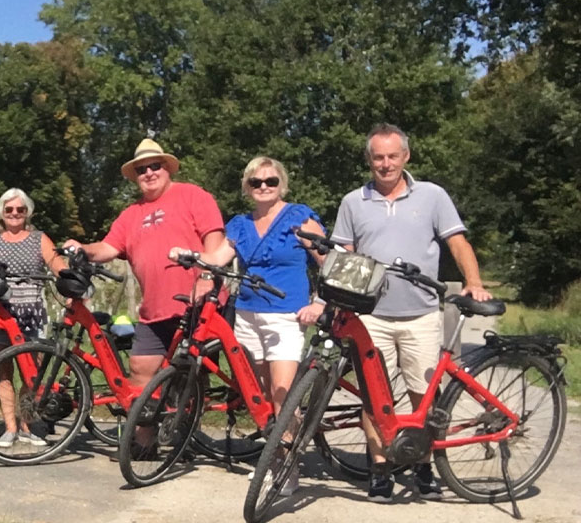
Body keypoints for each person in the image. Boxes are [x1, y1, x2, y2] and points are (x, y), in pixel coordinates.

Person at [330, 124, 492, 502]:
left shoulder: (432, 195)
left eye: (392, 156)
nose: (385, 164)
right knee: (374, 399)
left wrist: (473, 280)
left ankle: (423, 465)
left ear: (406, 156)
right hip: (370, 317)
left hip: (420, 313)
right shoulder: (353, 201)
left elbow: (457, 241)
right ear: (368, 160)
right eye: (378, 157)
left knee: (423, 396)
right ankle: (381, 469)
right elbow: (343, 254)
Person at [170, 156, 327, 496]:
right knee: (260, 395)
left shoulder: (299, 217)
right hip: (247, 315)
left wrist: (320, 302)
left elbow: (330, 258)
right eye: (256, 183)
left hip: (286, 315)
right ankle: (273, 457)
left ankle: (288, 465)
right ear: (247, 187)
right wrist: (191, 256)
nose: (264, 187)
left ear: (281, 184)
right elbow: (218, 258)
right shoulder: (240, 224)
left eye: (270, 181)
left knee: (282, 397)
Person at [62, 138, 225, 389]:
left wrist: (206, 277)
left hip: (197, 304)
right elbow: (108, 247)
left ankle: (184, 427)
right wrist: (83, 247)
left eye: (155, 166)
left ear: (167, 168)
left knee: (190, 378)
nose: (149, 173)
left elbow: (214, 238)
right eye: (141, 169)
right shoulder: (131, 214)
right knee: (139, 371)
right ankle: (143, 428)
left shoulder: (192, 195)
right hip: (155, 311)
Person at [0, 188, 65, 448]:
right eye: (9, 210)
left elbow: (58, 265)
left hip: (30, 313)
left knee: (32, 372)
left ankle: (28, 425)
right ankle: (9, 427)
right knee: (3, 371)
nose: (15, 214)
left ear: (27, 212)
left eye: (20, 209)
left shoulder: (39, 239)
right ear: (1, 214)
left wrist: (69, 282)